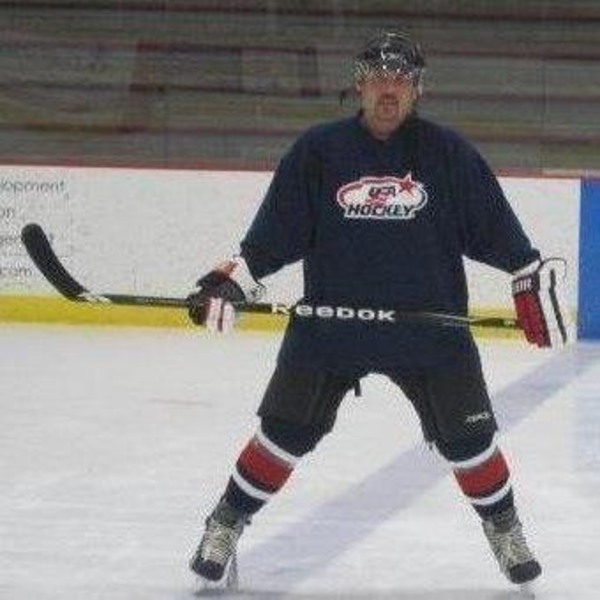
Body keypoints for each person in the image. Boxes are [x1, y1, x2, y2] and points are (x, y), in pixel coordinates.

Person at [186, 30, 568, 589]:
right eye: (379, 79)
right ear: (360, 84)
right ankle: (225, 522)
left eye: (401, 80)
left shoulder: (447, 154)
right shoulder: (319, 151)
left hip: (430, 330)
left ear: (417, 89)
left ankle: (504, 528)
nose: (389, 90)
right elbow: (275, 234)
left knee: (470, 442)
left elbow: (493, 227)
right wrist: (234, 280)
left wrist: (525, 270)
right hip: (332, 327)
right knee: (282, 433)